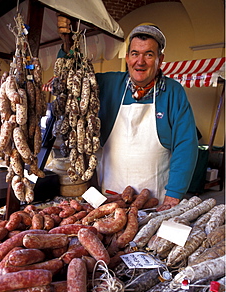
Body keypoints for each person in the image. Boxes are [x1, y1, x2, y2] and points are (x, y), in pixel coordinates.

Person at [57, 21, 198, 211]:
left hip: (155, 200)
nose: (140, 62)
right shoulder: (108, 84)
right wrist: (67, 44)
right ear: (127, 57)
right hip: (110, 197)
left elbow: (186, 145)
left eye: (149, 54)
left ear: (160, 59)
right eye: (135, 54)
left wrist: (174, 194)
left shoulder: (173, 92)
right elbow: (71, 80)